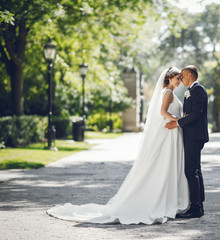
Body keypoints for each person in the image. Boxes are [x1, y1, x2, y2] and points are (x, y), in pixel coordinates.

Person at [47, 67, 189, 225]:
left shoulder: (169, 92)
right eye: (177, 78)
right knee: (164, 165)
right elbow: (163, 112)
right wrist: (177, 121)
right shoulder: (168, 93)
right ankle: (161, 200)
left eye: (179, 78)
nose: (179, 81)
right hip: (168, 133)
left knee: (166, 166)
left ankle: (167, 198)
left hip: (171, 133)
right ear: (168, 79)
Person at [165, 65, 209, 218]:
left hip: (195, 136)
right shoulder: (189, 91)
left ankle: (196, 208)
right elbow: (189, 113)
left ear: (190, 75)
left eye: (183, 75)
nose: (181, 78)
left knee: (191, 171)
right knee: (195, 169)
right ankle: (199, 204)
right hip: (191, 135)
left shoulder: (198, 90)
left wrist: (177, 123)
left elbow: (196, 114)